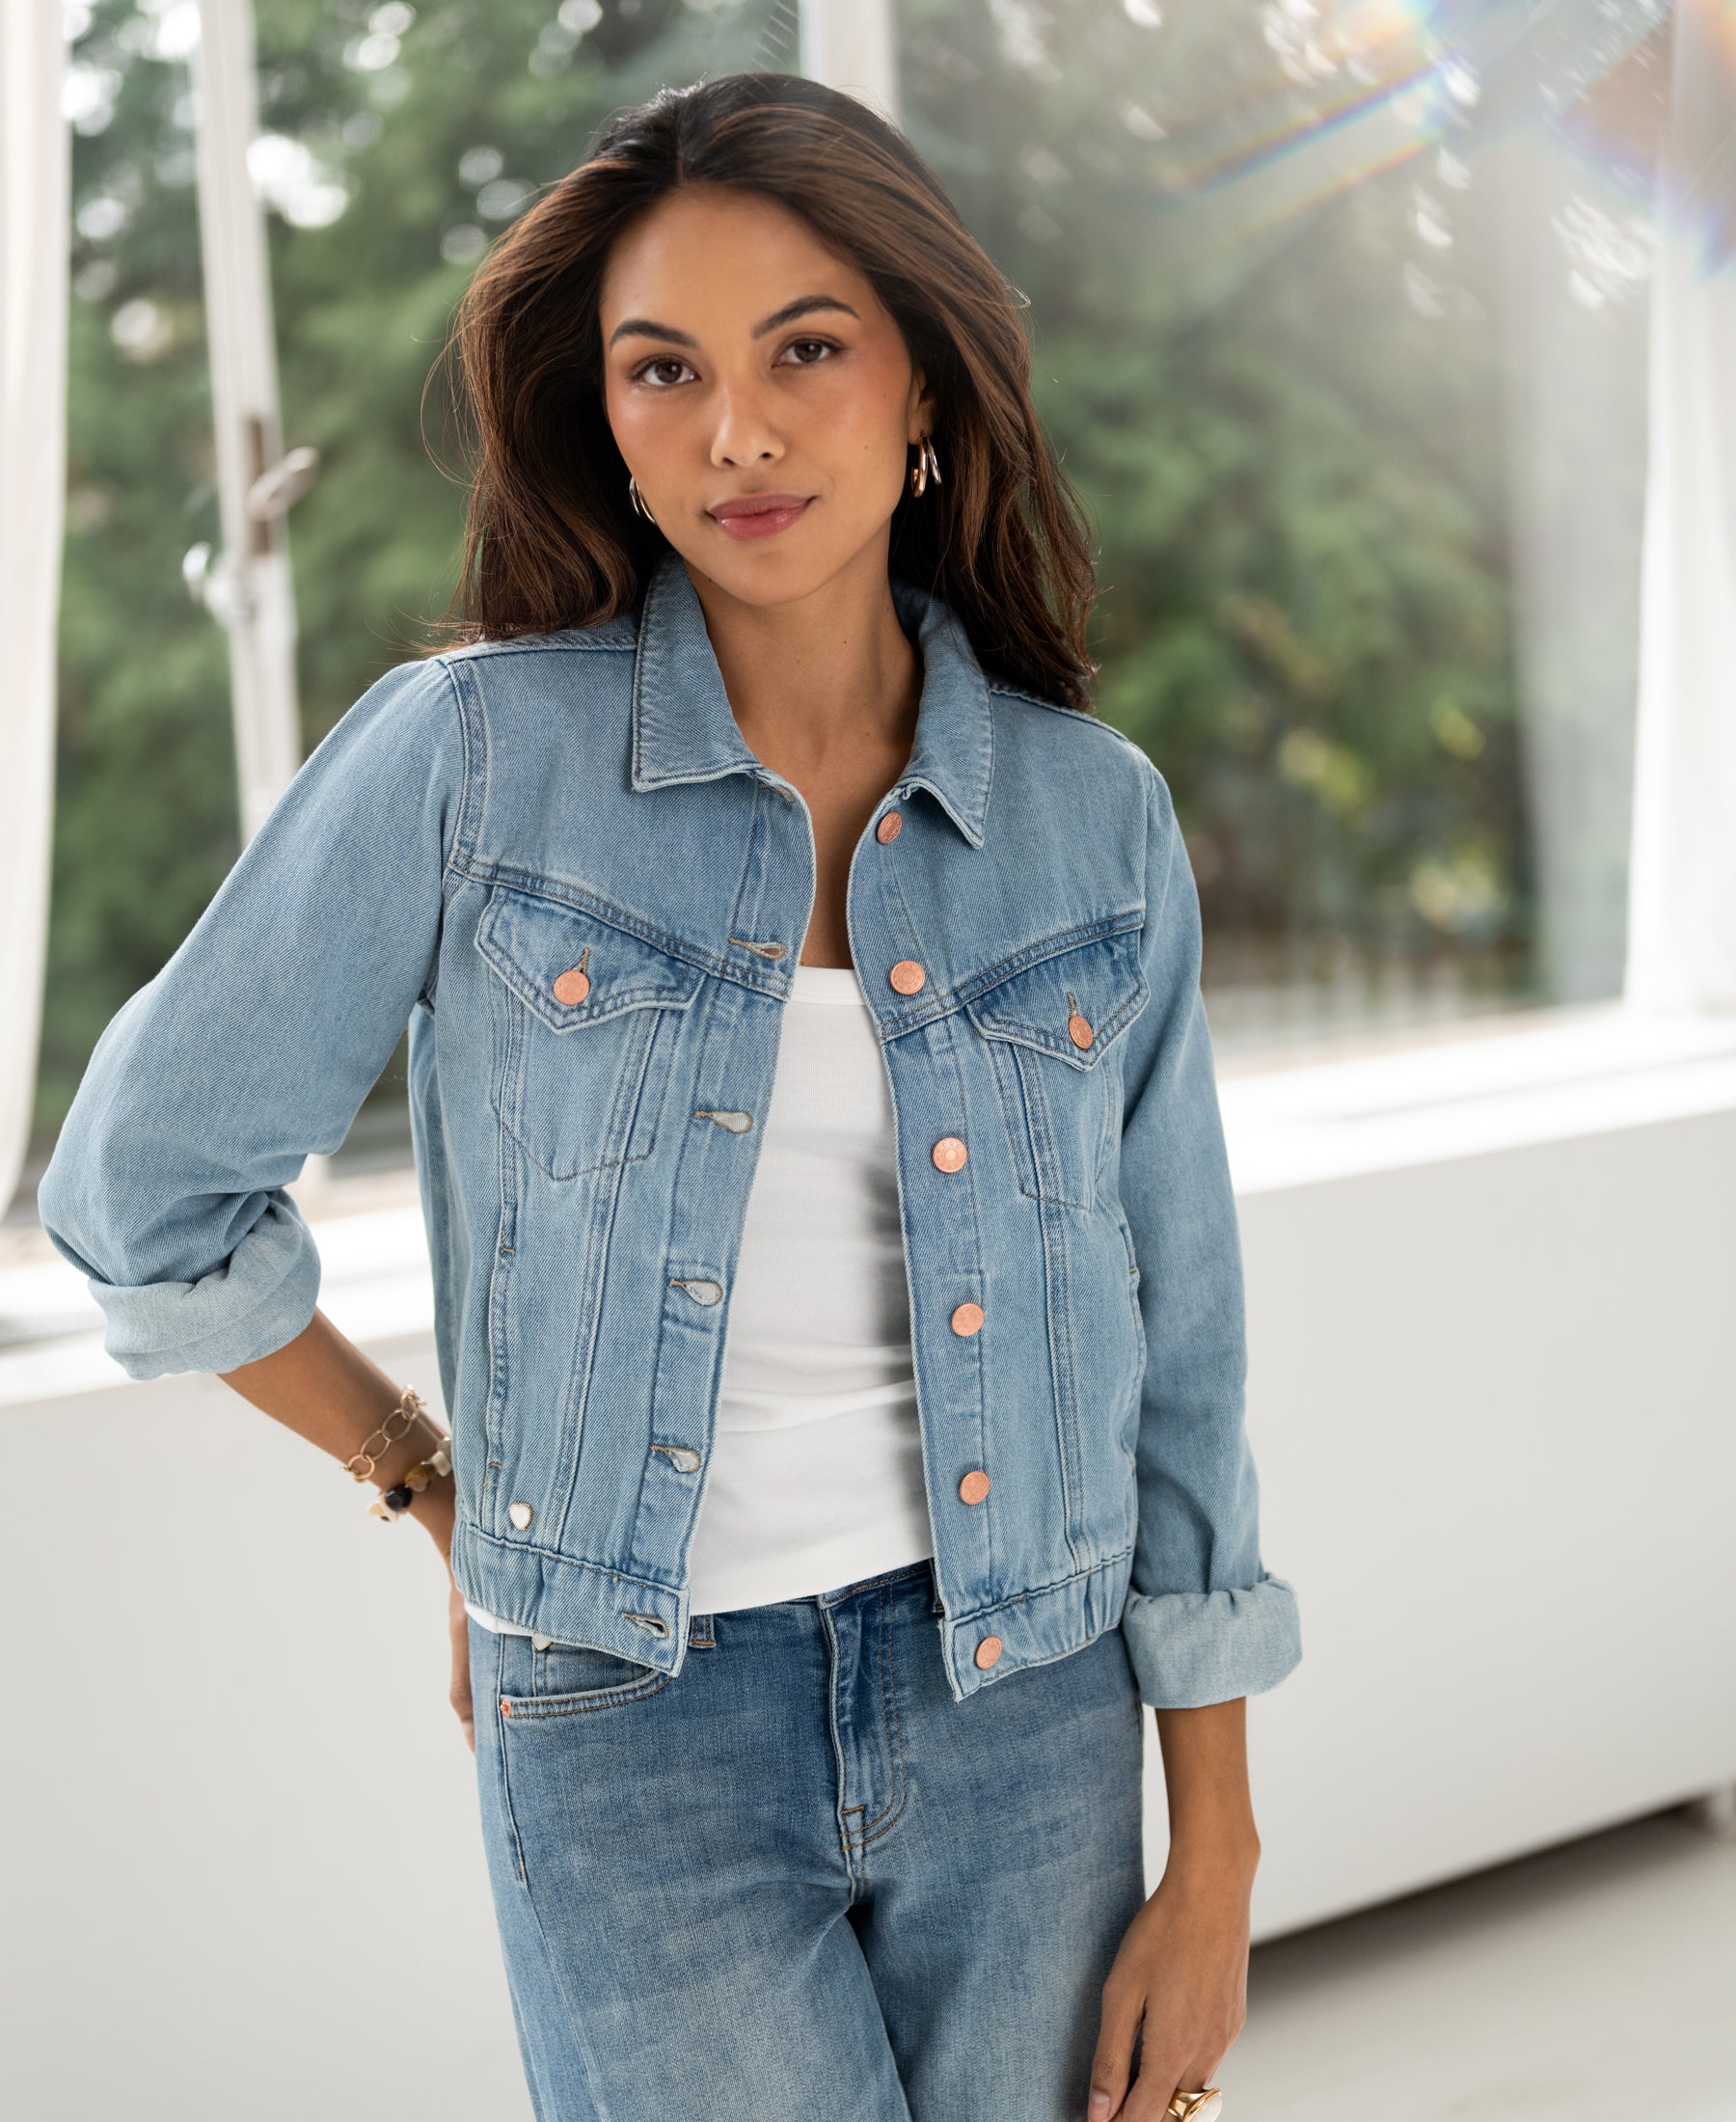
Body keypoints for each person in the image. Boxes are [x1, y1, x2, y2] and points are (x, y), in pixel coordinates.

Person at [38, 70, 1300, 2122]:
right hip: (633, 1733)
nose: (739, 431)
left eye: (806, 347)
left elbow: (1187, 1365)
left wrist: (1219, 1846)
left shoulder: (1093, 819)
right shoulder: (471, 762)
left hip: (1028, 1711)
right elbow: (144, 1184)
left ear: (927, 389)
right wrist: (438, 1492)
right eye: (665, 369)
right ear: (604, 425)